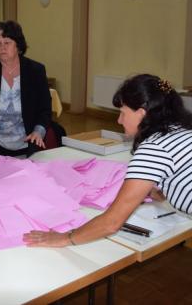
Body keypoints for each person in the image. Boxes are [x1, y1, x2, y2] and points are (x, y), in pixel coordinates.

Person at [23, 74, 192, 248]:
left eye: (122, 113)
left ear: (142, 113)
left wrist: (65, 238)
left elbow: (111, 223)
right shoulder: (180, 130)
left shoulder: (154, 148)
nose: (119, 120)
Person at [0, 21, 52, 159]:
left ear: (18, 45)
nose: (2, 48)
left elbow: (45, 109)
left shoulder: (35, 70)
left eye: (7, 42)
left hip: (28, 145)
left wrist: (38, 132)